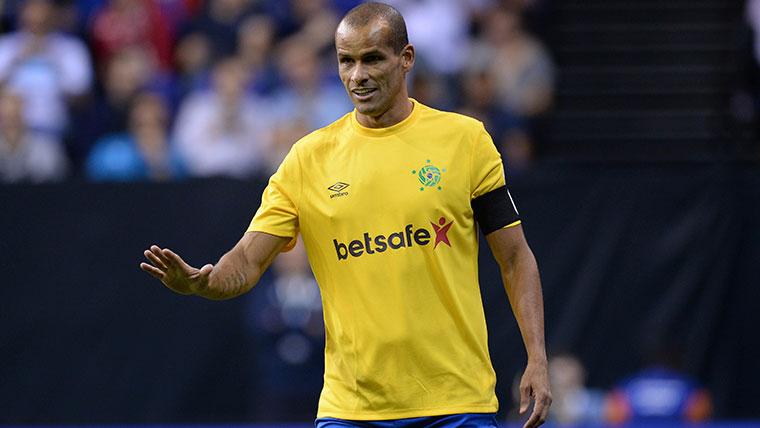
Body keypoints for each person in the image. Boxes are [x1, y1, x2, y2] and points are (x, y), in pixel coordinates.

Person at [140, 3, 551, 427]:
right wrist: (204, 283)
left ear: (406, 58)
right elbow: (247, 260)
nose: (358, 75)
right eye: (346, 61)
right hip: (351, 410)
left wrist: (537, 358)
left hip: (456, 403)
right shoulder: (307, 160)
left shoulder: (465, 141)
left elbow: (514, 257)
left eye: (372, 59)